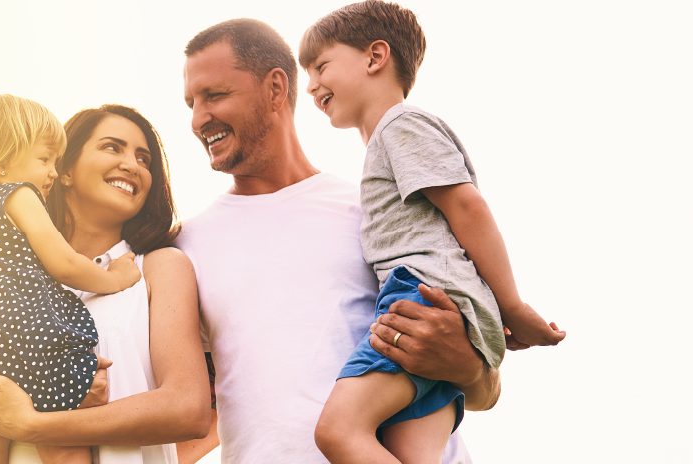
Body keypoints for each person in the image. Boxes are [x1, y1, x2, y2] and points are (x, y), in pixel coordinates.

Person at [171, 18, 503, 463]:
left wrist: (465, 364)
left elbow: (485, 389)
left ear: (275, 89)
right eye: (191, 102)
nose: (198, 119)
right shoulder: (184, 249)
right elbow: (195, 412)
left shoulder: (374, 213)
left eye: (215, 95)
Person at [295, 2, 566, 463]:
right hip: (438, 306)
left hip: (421, 298)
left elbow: (466, 206)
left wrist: (512, 306)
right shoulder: (391, 140)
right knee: (411, 455)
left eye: (320, 66)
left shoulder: (400, 126)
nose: (311, 85)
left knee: (340, 431)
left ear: (375, 57)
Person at [0, 104, 213, 464]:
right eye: (112, 148)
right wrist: (46, 389)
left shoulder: (159, 268)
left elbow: (187, 410)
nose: (132, 164)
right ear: (63, 170)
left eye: (144, 159)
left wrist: (32, 422)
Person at [0, 94, 139, 464]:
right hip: (29, 344)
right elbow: (66, 263)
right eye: (44, 159)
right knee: (63, 446)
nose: (53, 171)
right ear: (2, 160)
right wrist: (114, 277)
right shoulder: (19, 195)